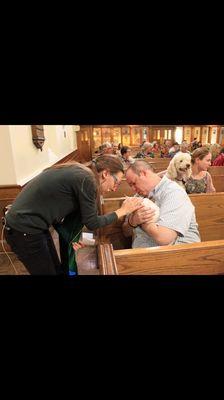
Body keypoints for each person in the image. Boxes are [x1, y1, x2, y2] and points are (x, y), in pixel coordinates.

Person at [4, 155, 142, 275]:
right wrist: (122, 211)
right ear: (105, 174)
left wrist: (77, 237)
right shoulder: (87, 179)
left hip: (32, 227)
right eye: (116, 182)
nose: (114, 188)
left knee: (57, 270)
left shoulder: (82, 172)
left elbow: (73, 216)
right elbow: (92, 222)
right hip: (25, 230)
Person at [122, 161, 201, 248]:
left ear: (144, 173)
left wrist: (141, 221)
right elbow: (126, 232)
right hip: (144, 251)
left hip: (175, 253)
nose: (133, 189)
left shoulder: (174, 193)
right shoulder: (138, 196)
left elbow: (163, 238)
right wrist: (132, 221)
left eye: (134, 183)